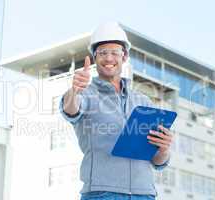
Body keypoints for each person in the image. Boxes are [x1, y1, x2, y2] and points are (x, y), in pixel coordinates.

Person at [59, 22, 173, 200]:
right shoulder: (87, 94)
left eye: (115, 53)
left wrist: (164, 149)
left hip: (144, 194)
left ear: (124, 57)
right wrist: (74, 90)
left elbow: (157, 161)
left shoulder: (143, 102)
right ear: (95, 57)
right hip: (102, 193)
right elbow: (70, 110)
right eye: (103, 53)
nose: (109, 58)